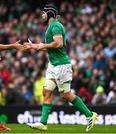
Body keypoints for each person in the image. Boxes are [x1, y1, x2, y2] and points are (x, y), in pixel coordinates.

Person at [25, 4, 98, 132]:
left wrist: (40, 46)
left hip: (61, 66)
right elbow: (55, 46)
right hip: (53, 65)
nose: (42, 15)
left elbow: (58, 44)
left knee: (66, 95)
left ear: (49, 14)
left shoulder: (56, 26)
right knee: (46, 91)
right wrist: (36, 46)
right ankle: (43, 122)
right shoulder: (52, 26)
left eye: (44, 12)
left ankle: (90, 115)